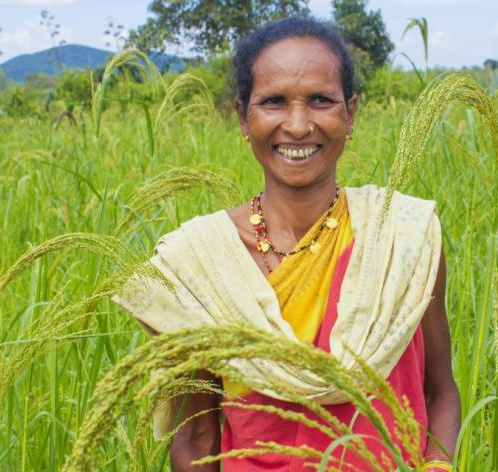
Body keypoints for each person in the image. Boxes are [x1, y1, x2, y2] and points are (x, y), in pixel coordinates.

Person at [113, 16, 460, 472]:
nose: (297, 125)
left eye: (320, 100)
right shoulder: (196, 266)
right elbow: (197, 438)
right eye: (274, 102)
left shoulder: (403, 238)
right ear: (243, 116)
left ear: (350, 113)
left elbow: (440, 390)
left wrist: (437, 464)